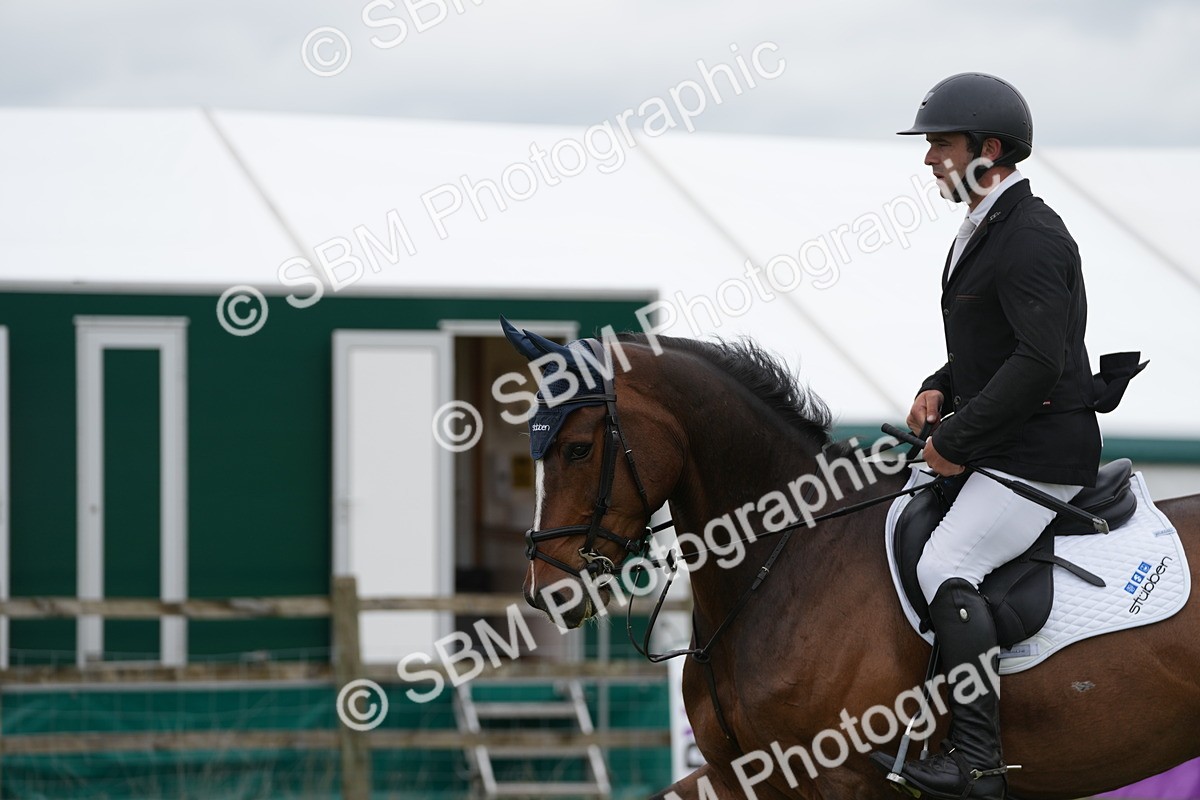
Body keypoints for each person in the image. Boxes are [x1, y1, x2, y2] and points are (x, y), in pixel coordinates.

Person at [877, 72, 1102, 800]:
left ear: (990, 150)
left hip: (1039, 455)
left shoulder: (1029, 235)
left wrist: (957, 440)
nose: (929, 158)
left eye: (941, 143)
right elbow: (992, 348)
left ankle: (976, 765)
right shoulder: (983, 227)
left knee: (947, 565)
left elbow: (1039, 362)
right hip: (1002, 441)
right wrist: (938, 386)